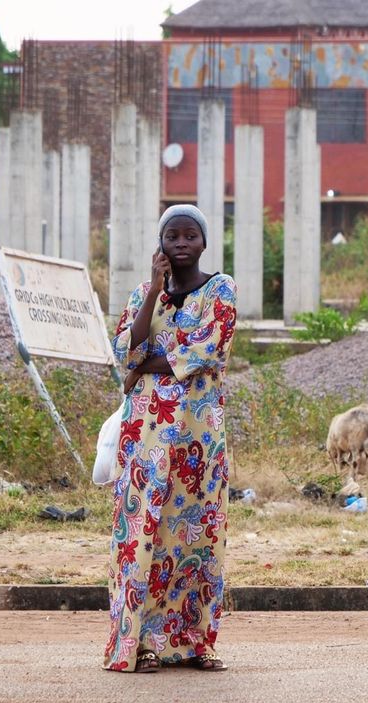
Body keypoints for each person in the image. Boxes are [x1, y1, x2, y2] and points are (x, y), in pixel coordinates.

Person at [104, 204, 237, 674]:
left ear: (204, 243)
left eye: (189, 236)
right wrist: (153, 294)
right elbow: (127, 347)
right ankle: (142, 644)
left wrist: (143, 366)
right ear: (160, 245)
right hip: (145, 437)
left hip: (198, 441)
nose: (181, 244)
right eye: (172, 237)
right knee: (145, 536)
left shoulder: (221, 290)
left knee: (198, 537)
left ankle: (197, 642)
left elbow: (206, 348)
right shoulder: (145, 293)